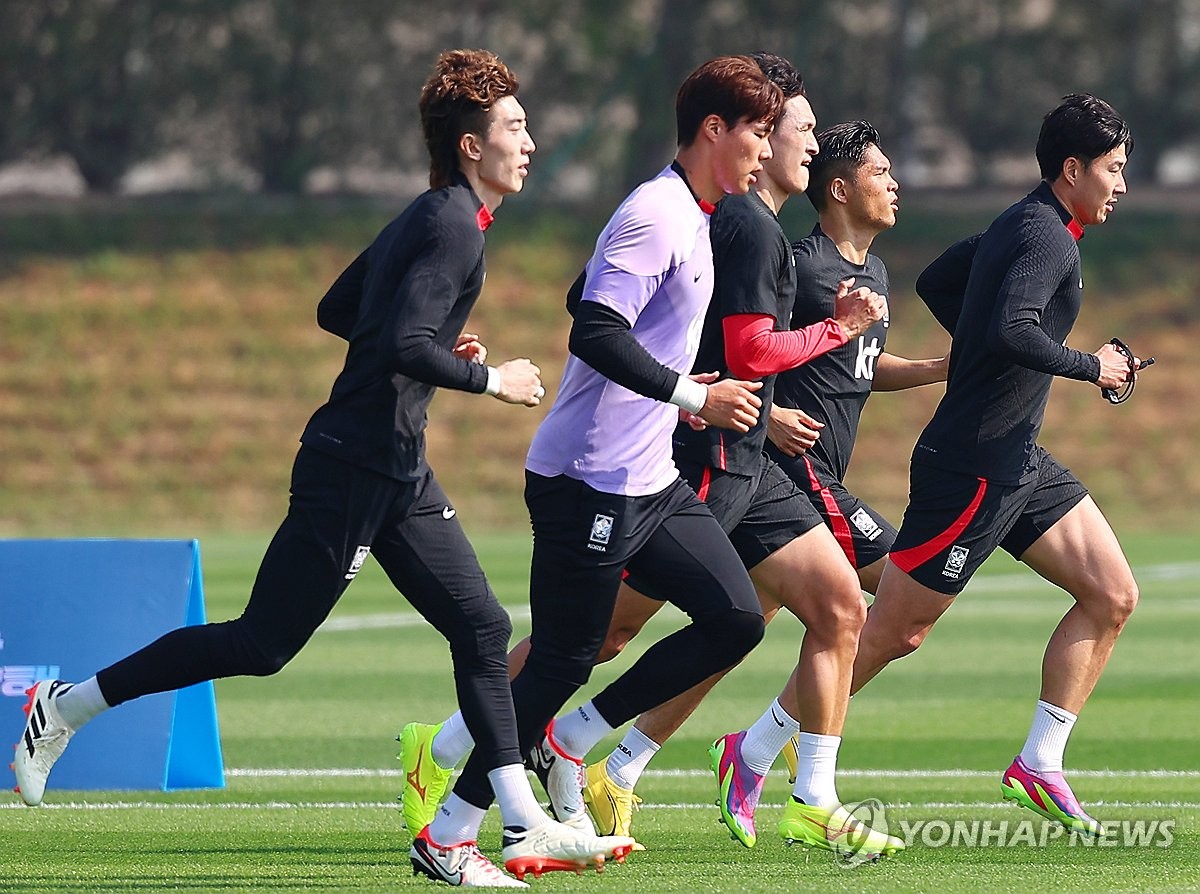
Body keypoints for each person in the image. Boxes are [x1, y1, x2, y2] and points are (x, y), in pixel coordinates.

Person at [13, 48, 633, 889]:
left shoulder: (438, 217)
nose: (531, 142)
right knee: (264, 644)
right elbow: (395, 338)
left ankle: (506, 827)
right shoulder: (450, 225)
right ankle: (68, 706)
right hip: (351, 468)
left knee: (484, 629)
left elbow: (340, 309)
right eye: (516, 128)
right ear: (470, 148)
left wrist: (429, 347)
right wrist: (488, 377)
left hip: (398, 470)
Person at [405, 54, 780, 873]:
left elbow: (589, 298)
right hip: (587, 477)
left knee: (735, 619)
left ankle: (570, 743)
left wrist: (678, 377)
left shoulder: (696, 212)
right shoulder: (659, 213)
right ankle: (450, 833)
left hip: (648, 480)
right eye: (758, 131)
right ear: (713, 131)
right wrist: (690, 395)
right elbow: (594, 330)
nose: (769, 146)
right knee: (565, 656)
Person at [850, 93, 1144, 839]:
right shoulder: (1049, 239)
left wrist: (981, 349)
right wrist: (1093, 366)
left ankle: (1039, 765)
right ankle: (756, 748)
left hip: (1019, 458)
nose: (1121, 185)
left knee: (1111, 594)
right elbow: (1013, 327)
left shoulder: (1025, 223)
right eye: (1112, 170)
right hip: (975, 462)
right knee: (894, 632)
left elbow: (942, 283)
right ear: (1072, 169)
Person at [699, 119, 947, 847]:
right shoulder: (802, 267)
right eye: (881, 173)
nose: (895, 184)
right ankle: (790, 781)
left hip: (817, 475)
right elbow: (744, 349)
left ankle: (636, 757)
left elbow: (864, 367)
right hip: (785, 474)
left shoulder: (872, 275)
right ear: (840, 189)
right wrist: (769, 417)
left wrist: (935, 369)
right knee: (898, 601)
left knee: (739, 625)